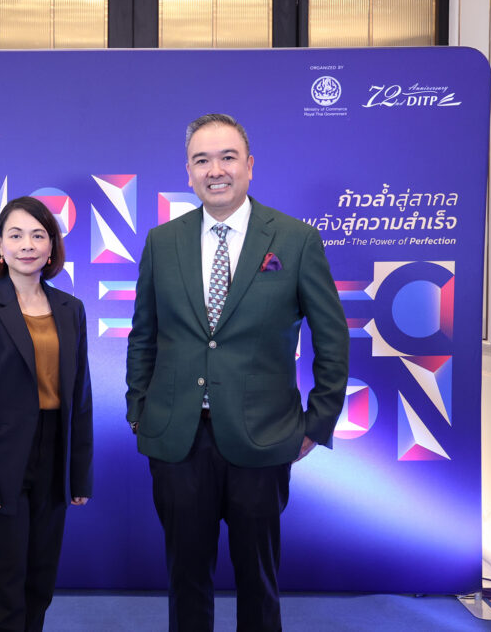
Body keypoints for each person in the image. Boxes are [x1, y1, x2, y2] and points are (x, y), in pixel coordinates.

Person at [125, 114, 349, 632]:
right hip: (178, 439)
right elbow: (144, 335)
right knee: (186, 579)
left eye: (227, 157)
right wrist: (139, 410)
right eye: (202, 160)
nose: (215, 170)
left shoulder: (295, 240)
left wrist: (317, 423)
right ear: (188, 172)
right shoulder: (162, 242)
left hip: (264, 437)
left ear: (249, 165)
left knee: (258, 580)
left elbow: (332, 339)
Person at [0, 196, 93, 632]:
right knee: (1, 589)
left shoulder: (71, 309)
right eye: (15, 235)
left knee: (38, 584)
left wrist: (79, 474)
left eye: (38, 235)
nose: (27, 244)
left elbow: (80, 396)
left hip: (53, 457)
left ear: (51, 247)